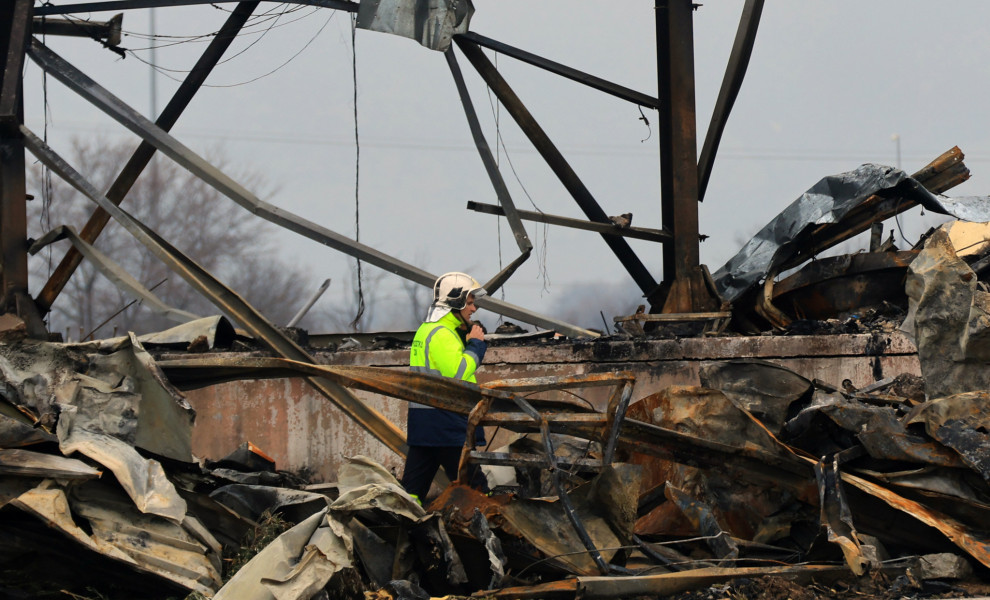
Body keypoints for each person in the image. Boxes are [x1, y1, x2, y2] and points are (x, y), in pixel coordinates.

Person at [401, 272, 489, 503]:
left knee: (411, 491)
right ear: (456, 302)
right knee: (476, 490)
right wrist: (476, 345)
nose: (473, 309)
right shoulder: (442, 333)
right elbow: (458, 373)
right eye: (469, 303)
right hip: (447, 423)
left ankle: (404, 531)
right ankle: (488, 529)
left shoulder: (428, 329)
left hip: (426, 423)